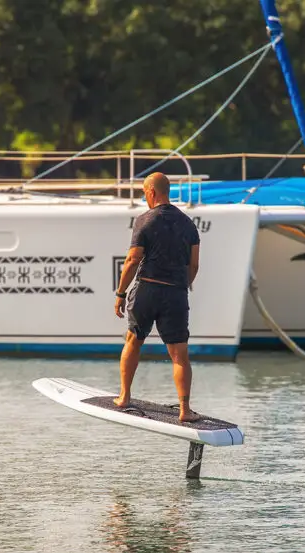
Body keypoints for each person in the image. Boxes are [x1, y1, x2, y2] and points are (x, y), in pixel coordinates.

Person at [113, 171, 201, 422]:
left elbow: (132, 260)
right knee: (179, 354)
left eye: (144, 193)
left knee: (133, 340)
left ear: (151, 192)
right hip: (175, 293)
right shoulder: (188, 224)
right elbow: (194, 266)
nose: (144, 197)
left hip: (147, 290)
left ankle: (124, 396)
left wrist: (120, 293)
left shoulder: (145, 220)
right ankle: (185, 410)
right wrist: (181, 288)